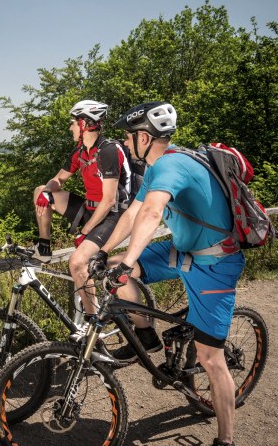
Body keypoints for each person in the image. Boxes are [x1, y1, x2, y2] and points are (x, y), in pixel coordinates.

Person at [89, 101, 244, 446]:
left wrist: (131, 260)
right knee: (115, 270)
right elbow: (132, 213)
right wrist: (102, 252)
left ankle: (226, 438)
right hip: (184, 252)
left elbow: (153, 213)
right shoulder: (159, 167)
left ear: (144, 137)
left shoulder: (173, 165)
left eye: (129, 139)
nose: (126, 145)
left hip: (214, 265)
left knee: (210, 358)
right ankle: (146, 336)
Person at [32, 99, 134, 322]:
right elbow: (59, 178)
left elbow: (108, 201)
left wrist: (85, 232)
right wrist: (48, 191)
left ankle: (92, 320)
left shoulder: (107, 151)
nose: (70, 127)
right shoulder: (81, 151)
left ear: (84, 124)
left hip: (114, 215)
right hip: (90, 209)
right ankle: (44, 247)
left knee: (77, 263)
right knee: (40, 190)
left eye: (73, 123)